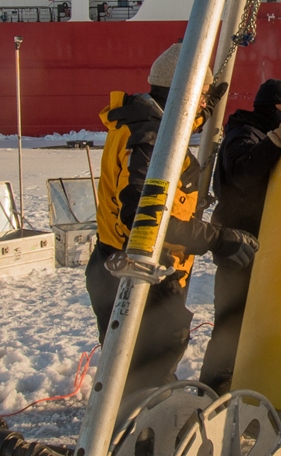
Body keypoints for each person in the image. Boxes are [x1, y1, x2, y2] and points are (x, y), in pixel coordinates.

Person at [86, 44, 257, 402]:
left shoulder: (143, 123)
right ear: (186, 94)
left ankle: (137, 420)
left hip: (116, 267)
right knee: (146, 375)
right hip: (137, 277)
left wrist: (202, 110)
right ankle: (142, 439)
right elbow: (144, 221)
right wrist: (218, 239)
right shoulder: (150, 139)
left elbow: (171, 123)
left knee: (132, 367)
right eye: (196, 101)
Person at [204, 78, 281, 390]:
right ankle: (215, 385)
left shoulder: (262, 133)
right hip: (236, 246)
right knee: (232, 322)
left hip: (262, 245)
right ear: (266, 108)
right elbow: (243, 173)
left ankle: (245, 379)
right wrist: (280, 137)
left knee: (260, 321)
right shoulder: (244, 132)